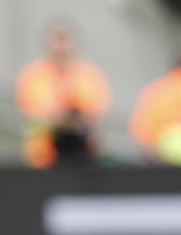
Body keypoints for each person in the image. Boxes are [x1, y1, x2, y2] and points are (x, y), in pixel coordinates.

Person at [15, 22, 110, 168]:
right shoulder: (33, 76)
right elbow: (32, 116)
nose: (61, 47)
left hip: (83, 155)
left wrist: (74, 118)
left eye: (65, 40)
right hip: (43, 157)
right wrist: (59, 119)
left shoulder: (89, 75)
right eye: (58, 40)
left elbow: (95, 115)